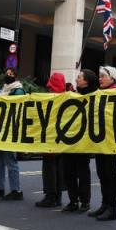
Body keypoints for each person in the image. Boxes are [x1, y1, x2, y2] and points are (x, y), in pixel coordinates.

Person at [62, 70, 95, 213]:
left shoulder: (94, 96)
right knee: (68, 171)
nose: (77, 79)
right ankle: (73, 200)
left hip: (84, 142)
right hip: (70, 139)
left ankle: (85, 201)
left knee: (82, 172)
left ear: (87, 81)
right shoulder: (72, 95)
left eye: (80, 77)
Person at [89, 66, 116, 221]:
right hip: (101, 140)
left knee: (110, 173)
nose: (100, 79)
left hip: (112, 141)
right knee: (102, 173)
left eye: (103, 76)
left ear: (112, 78)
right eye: (99, 76)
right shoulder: (99, 94)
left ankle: (112, 208)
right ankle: (104, 204)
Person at [0, 68, 24, 200]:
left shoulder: (18, 90)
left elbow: (16, 107)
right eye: (6, 73)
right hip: (0, 130)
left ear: (15, 76)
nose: (7, 76)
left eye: (10, 74)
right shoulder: (4, 90)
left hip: (10, 131)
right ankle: (0, 187)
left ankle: (16, 190)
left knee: (10, 160)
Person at [36, 72, 68, 208]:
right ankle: (57, 196)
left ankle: (50, 195)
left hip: (50, 137)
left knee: (49, 166)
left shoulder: (50, 98)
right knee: (59, 167)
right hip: (61, 139)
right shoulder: (67, 98)